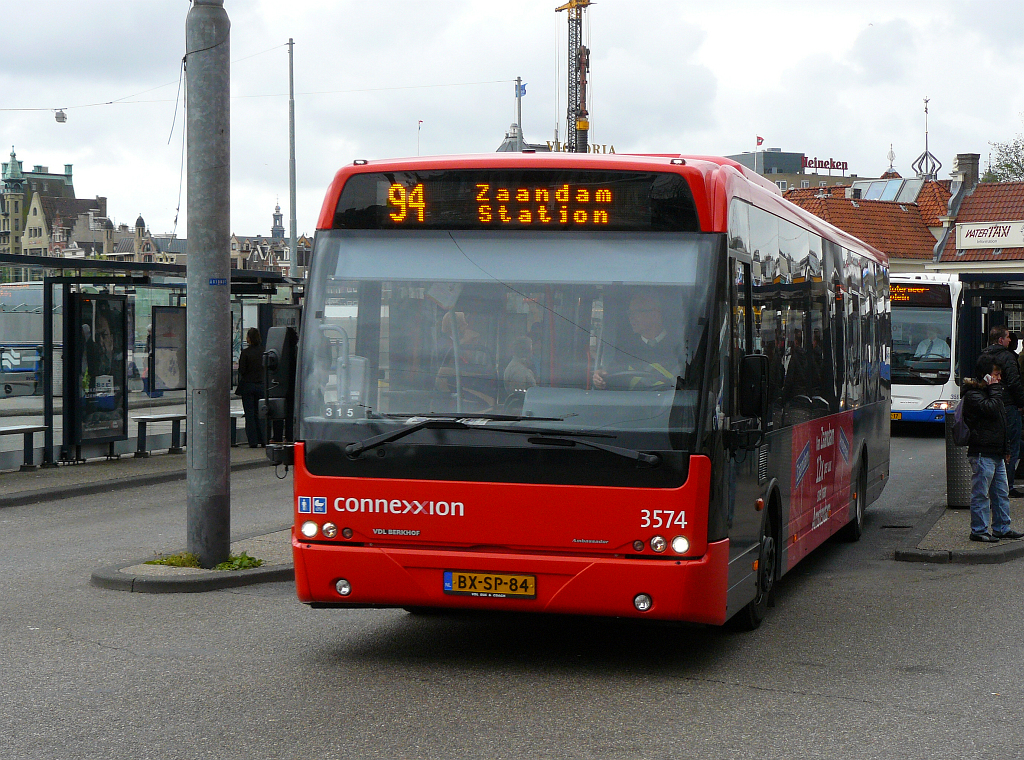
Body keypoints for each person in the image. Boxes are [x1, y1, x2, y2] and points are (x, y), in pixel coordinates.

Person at [962, 361, 1023, 541]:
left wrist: (1006, 449)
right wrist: (995, 389)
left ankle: (1002, 527)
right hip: (982, 451)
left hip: (995, 451)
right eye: (995, 375)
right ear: (986, 376)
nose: (999, 378)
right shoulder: (974, 395)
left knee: (1001, 493)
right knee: (981, 493)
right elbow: (992, 409)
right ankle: (979, 530)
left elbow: (1002, 424)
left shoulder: (991, 394)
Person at [592, 289, 681, 390]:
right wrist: (599, 377)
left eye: (637, 312)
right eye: (630, 313)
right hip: (633, 403)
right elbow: (610, 377)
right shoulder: (625, 349)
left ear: (655, 314)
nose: (631, 318)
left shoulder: (679, 347)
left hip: (672, 404)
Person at [977, 325, 1024, 497]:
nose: (1010, 340)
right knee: (1012, 445)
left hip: (991, 403)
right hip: (1009, 405)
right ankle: (1008, 485)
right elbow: (1014, 382)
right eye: (1007, 337)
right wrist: (1021, 403)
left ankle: (996, 485)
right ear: (1000, 340)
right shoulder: (1008, 357)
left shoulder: (984, 355)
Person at [435, 311, 498, 411]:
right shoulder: (446, 346)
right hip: (450, 394)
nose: (467, 325)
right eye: (463, 323)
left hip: (458, 391)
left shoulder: (453, 343)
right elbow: (443, 371)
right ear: (455, 327)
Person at [236, 328, 266, 447]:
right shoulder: (264, 351)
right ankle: (263, 439)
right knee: (261, 414)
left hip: (248, 386)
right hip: (261, 386)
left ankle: (253, 441)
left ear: (249, 338)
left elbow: (242, 370)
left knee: (249, 414)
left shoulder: (246, 353)